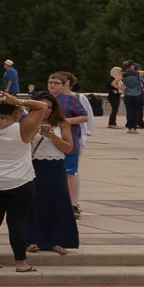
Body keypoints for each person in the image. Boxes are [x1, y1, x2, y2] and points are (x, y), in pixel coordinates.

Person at [0, 92, 47, 272]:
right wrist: (20, 101)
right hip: (20, 181)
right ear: (17, 112)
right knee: (16, 222)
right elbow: (42, 106)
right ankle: (20, 263)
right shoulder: (23, 128)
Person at [27, 93, 78, 256]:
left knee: (58, 200)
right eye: (43, 106)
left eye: (49, 107)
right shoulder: (28, 122)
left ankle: (57, 240)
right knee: (34, 201)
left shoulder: (61, 123)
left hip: (55, 166)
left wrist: (53, 136)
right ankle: (32, 239)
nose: (46, 110)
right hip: (34, 165)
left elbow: (68, 148)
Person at [47, 72, 90, 214]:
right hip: (46, 142)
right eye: (50, 82)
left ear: (64, 85)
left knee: (70, 173)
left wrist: (67, 121)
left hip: (68, 140)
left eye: (56, 82)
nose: (52, 85)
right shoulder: (43, 100)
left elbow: (84, 117)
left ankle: (73, 204)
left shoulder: (70, 100)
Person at [121, 61, 144, 133]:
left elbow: (115, 82)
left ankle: (129, 128)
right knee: (136, 112)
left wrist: (121, 88)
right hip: (137, 94)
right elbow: (142, 84)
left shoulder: (124, 74)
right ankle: (135, 128)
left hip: (128, 94)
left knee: (129, 112)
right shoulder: (138, 74)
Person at [107, 66, 125, 130]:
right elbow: (109, 86)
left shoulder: (118, 79)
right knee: (114, 109)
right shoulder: (112, 78)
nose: (121, 73)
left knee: (115, 109)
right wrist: (117, 90)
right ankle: (111, 123)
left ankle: (113, 123)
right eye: (120, 71)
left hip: (117, 96)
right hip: (113, 96)